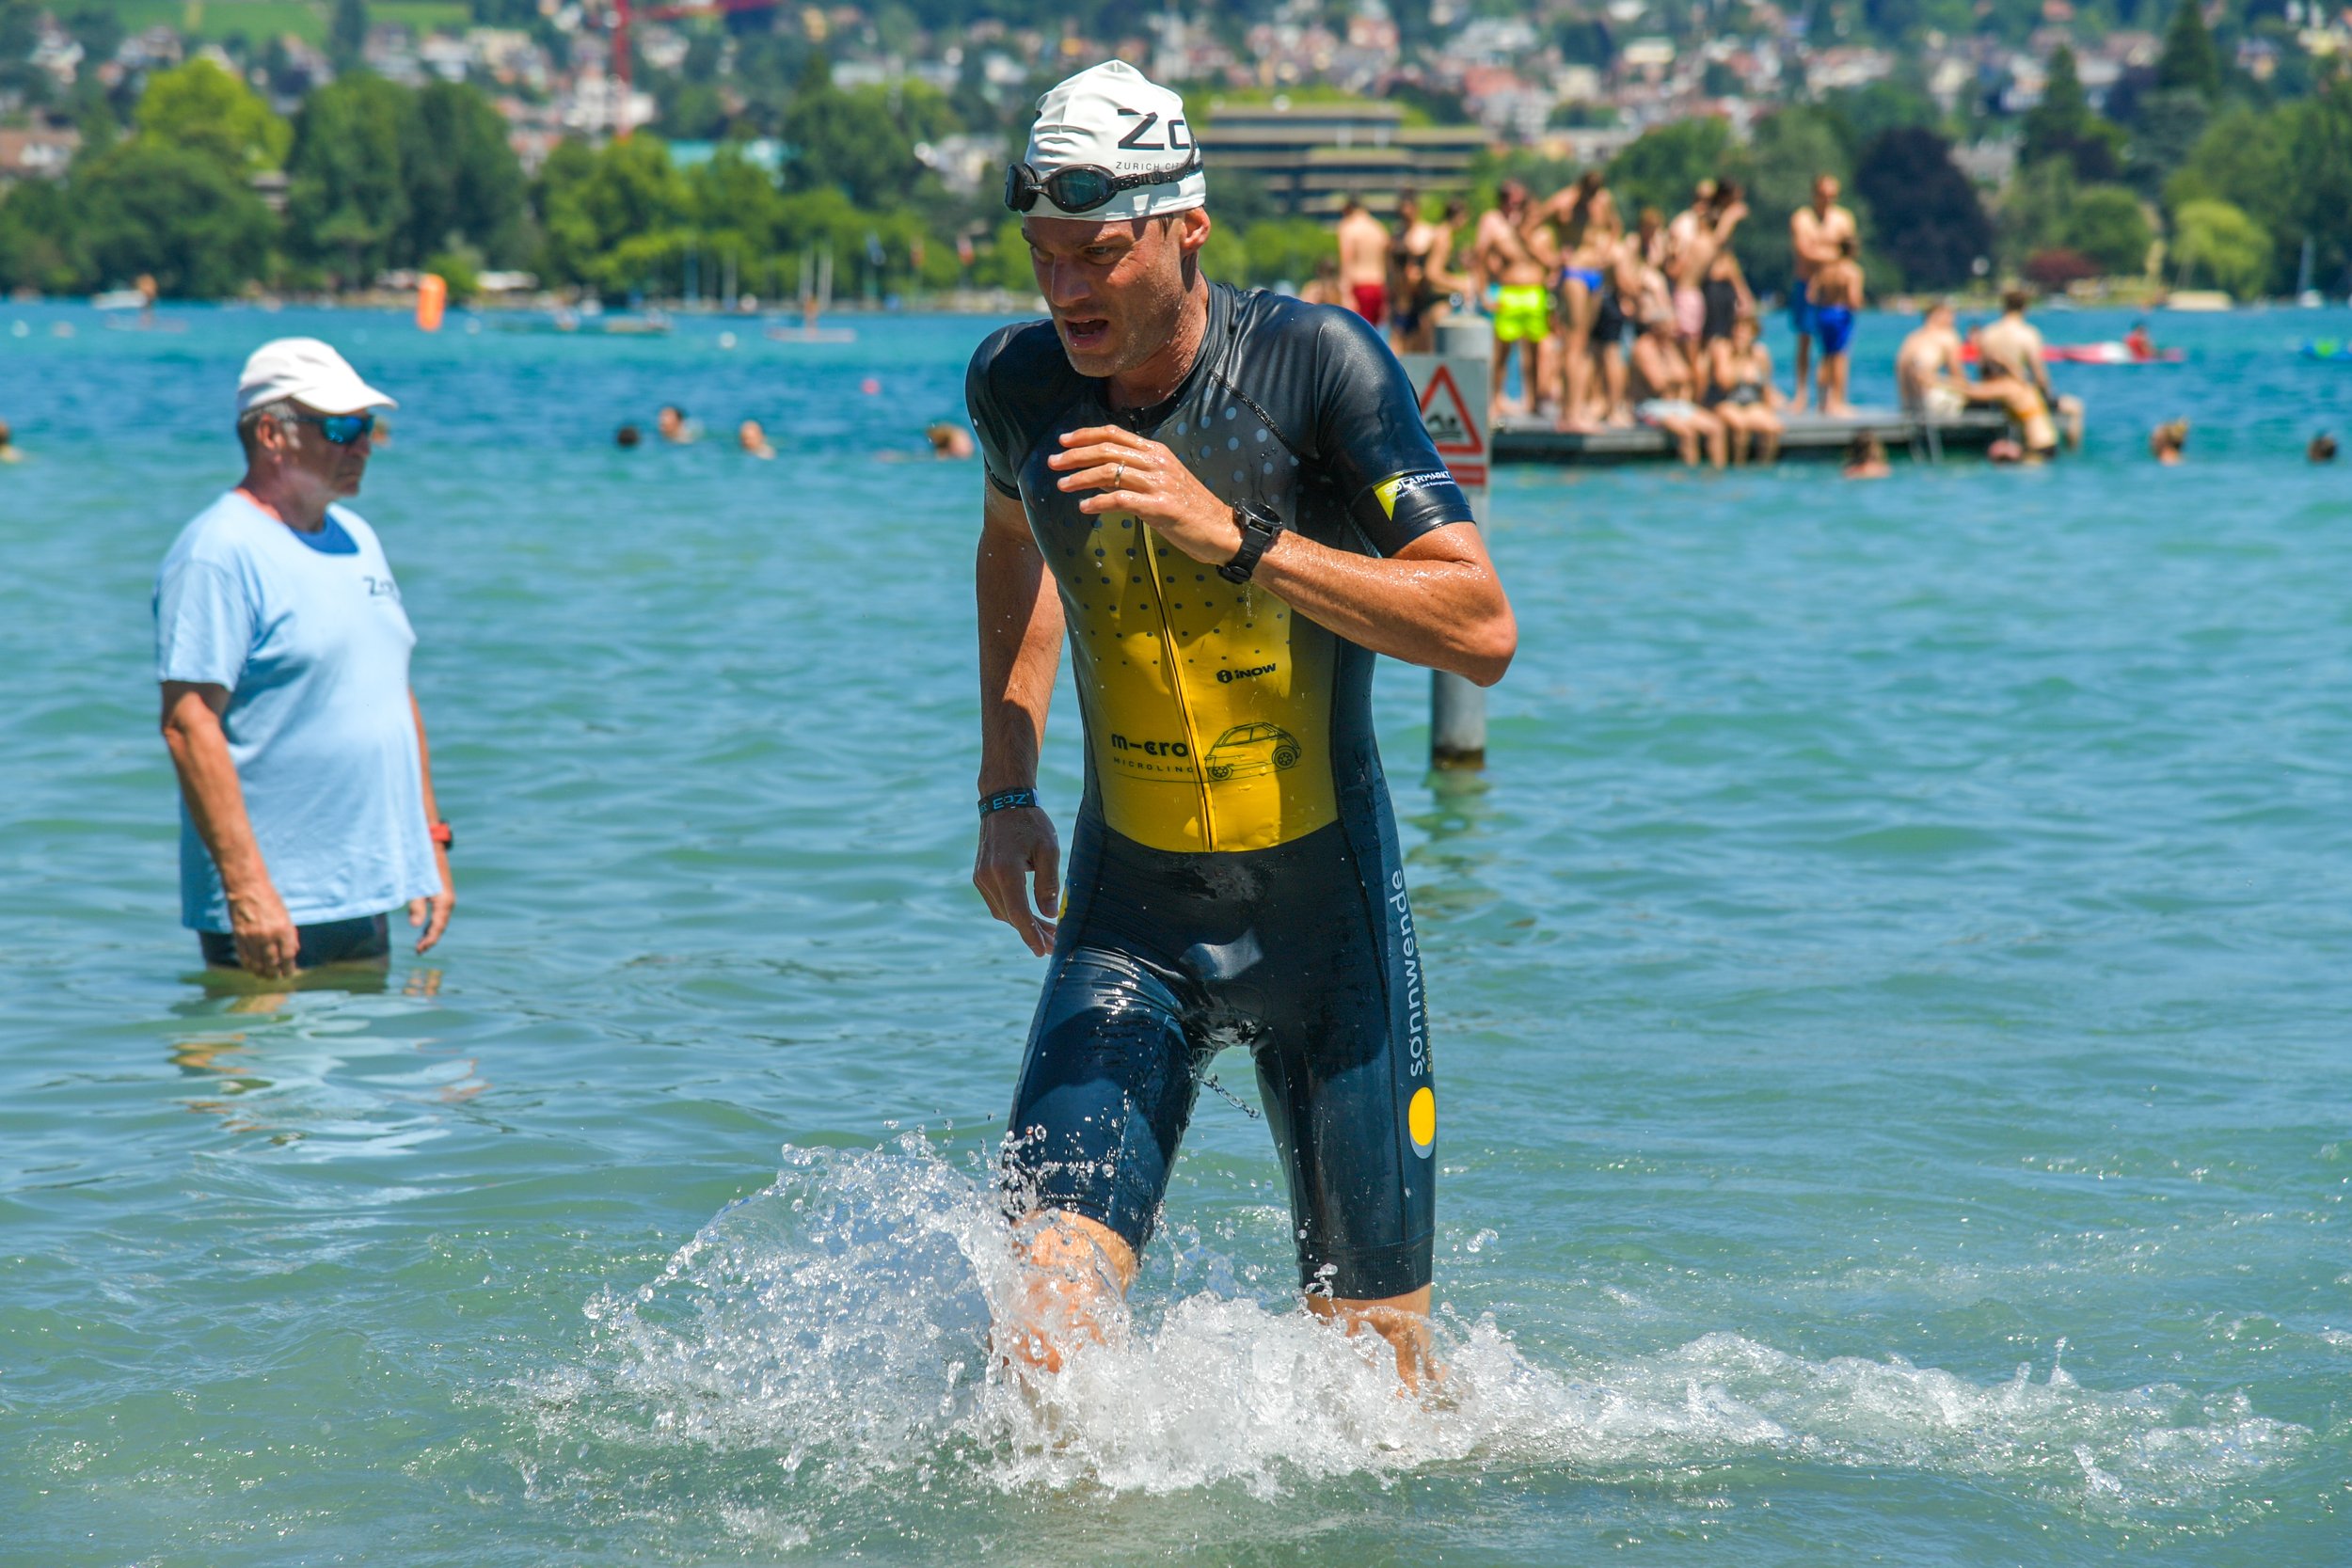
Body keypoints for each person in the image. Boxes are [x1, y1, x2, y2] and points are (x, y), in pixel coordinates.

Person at [968, 60, 1517, 1388]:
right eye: (1044, 256)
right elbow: (1014, 548)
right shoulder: (1017, 387)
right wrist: (1006, 783)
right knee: (1040, 1326)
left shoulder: (1315, 367)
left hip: (1329, 926)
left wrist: (1234, 536)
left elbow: (1479, 626)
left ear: (1184, 228)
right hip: (1132, 915)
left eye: (1098, 254)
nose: (1067, 291)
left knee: (1381, 1376)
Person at [153, 338, 453, 980]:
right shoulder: (219, 551)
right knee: (253, 1075)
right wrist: (246, 890)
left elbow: (389, 689)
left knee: (373, 1076)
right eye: (341, 427)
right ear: (271, 433)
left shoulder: (357, 537)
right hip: (272, 905)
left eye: (366, 426)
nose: (363, 445)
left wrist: (426, 842)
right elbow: (188, 723)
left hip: (367, 888)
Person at [1475, 180, 1550, 416]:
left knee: (1537, 350)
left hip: (1535, 291)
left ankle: (1534, 399)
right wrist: (1483, 293)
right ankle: (1496, 398)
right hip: (1510, 291)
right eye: (1511, 201)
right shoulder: (1494, 222)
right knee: (1503, 349)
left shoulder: (1535, 224)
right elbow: (1480, 258)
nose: (1515, 206)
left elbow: (1550, 259)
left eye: (1520, 202)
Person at [1978, 288, 2085, 453]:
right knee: (2075, 407)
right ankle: (2073, 453)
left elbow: (1982, 371)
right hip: (2020, 394)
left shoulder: (1988, 333)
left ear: (2003, 307)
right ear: (2025, 307)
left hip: (1992, 396)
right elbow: (2040, 375)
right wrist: (2047, 394)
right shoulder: (2028, 334)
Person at [1788, 174, 1857, 412]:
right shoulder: (1802, 218)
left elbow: (1849, 252)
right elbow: (1804, 252)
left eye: (1832, 196)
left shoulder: (1844, 218)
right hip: (1807, 285)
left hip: (1834, 292)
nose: (1828, 200)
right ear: (1814, 194)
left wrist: (1821, 251)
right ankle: (1801, 394)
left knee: (1837, 348)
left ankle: (1836, 398)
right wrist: (1833, 252)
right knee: (1805, 339)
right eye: (1823, 195)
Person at [1629, 308, 1726, 467]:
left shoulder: (1669, 347)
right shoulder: (1644, 348)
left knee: (1716, 427)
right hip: (1649, 406)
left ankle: (1717, 473)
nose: (1675, 331)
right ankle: (1689, 478)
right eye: (1671, 327)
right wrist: (1676, 378)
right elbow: (1658, 384)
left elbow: (1686, 377)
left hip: (1674, 405)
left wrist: (1675, 376)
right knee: (1687, 433)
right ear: (1658, 327)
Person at [1704, 313, 1782, 464]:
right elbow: (1723, 383)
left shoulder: (1760, 352)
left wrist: (1770, 406)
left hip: (1751, 403)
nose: (1740, 333)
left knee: (1773, 427)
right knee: (1741, 426)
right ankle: (1739, 465)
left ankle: (1764, 466)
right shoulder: (1722, 349)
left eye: (1745, 330)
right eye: (1737, 329)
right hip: (1726, 402)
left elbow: (1765, 385)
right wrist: (1740, 366)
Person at [1806, 236, 1864, 417]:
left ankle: (1822, 403)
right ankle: (1838, 402)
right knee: (1839, 358)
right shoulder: (1852, 271)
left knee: (1825, 357)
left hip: (1823, 313)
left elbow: (1810, 296)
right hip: (1841, 314)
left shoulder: (1826, 269)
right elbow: (1853, 299)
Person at [1336, 195, 1390, 326]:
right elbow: (1386, 263)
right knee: (1373, 334)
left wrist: (1345, 293)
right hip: (1379, 286)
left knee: (1356, 334)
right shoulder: (1379, 228)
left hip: (1359, 287)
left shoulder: (1348, 227)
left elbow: (1346, 259)